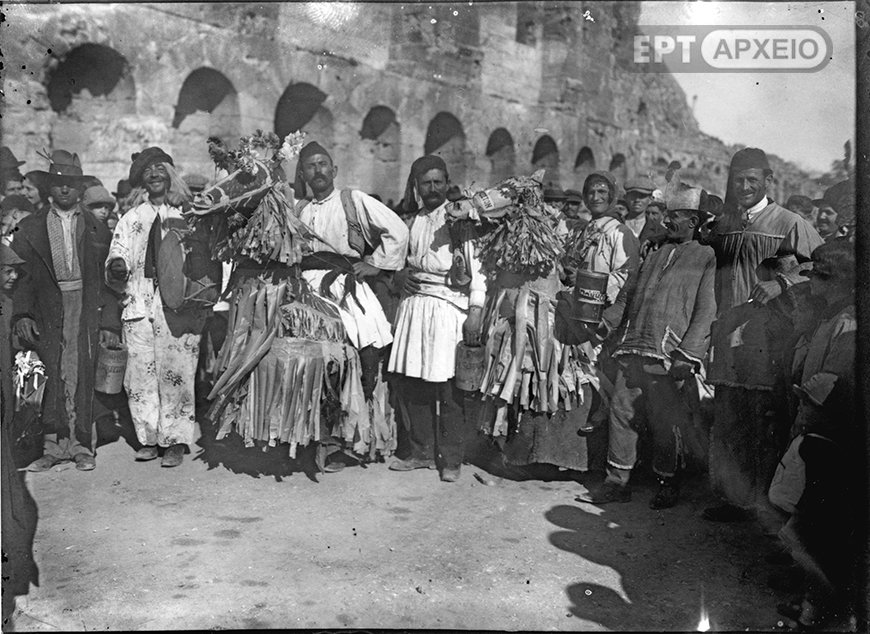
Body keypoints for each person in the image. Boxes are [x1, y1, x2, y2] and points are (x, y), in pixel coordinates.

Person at [704, 147, 824, 524]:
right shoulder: (724, 225)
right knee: (730, 420)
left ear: (768, 180)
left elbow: (825, 268)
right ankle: (734, 499)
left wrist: (783, 283)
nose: (744, 187)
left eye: (752, 180)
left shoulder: (789, 223)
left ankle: (764, 505)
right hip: (728, 335)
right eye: (737, 180)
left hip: (769, 338)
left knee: (764, 422)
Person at [578, 186, 716, 509]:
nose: (668, 221)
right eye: (668, 215)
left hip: (668, 351)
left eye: (676, 216)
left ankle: (667, 483)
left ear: (694, 221)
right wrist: (609, 322)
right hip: (635, 345)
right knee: (621, 410)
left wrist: (689, 354)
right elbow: (628, 294)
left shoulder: (706, 256)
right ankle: (617, 482)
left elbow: (707, 309)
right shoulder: (654, 253)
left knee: (665, 420)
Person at [293, 141, 409, 470]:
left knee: (357, 352)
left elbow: (398, 230)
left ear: (334, 170)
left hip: (342, 283)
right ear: (302, 174)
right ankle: (306, 436)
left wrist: (376, 264)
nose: (318, 170)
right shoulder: (298, 209)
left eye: (323, 164)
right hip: (305, 286)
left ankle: (344, 440)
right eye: (311, 166)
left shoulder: (352, 200)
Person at [11, 149, 121, 472]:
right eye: (58, 183)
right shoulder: (30, 228)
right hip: (47, 309)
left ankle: (81, 445)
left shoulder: (96, 229)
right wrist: (23, 314)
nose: (64, 189)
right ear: (49, 187)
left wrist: (109, 322)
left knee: (80, 373)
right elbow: (21, 277)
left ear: (79, 188)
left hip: (84, 308)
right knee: (51, 371)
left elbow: (109, 281)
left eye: (71, 183)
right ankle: (51, 446)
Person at [775, 239, 858, 630]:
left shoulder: (848, 323)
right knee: (809, 518)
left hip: (829, 435)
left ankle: (817, 607)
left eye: (817, 278)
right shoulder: (830, 316)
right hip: (814, 426)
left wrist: (812, 401)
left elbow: (833, 384)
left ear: (835, 280)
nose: (811, 283)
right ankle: (812, 595)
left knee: (819, 525)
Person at [387, 155, 486, 482]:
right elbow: (395, 261)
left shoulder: (460, 220)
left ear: (447, 183)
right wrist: (398, 276)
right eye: (425, 183)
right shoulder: (410, 221)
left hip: (447, 308)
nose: (432, 189)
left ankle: (452, 459)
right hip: (415, 307)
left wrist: (475, 310)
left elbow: (479, 270)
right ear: (416, 186)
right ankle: (422, 452)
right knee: (415, 381)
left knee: (449, 388)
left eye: (437, 182)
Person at [106, 146, 203, 468]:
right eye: (147, 170)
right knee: (140, 375)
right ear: (141, 180)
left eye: (160, 168)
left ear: (170, 174)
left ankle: (174, 440)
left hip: (178, 304)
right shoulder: (131, 219)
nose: (154, 174)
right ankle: (148, 438)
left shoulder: (188, 216)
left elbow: (203, 260)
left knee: (177, 372)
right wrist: (117, 265)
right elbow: (117, 251)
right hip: (138, 301)